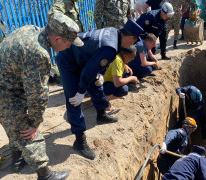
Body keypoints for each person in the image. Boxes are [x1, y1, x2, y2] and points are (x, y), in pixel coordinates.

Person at [0, 13, 82, 180]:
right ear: (58, 38)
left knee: (12, 123)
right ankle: (45, 175)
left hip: (7, 83)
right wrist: (35, 122)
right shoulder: (39, 54)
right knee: (27, 131)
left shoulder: (32, 30)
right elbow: (37, 96)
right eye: (68, 43)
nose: (69, 47)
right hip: (5, 91)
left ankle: (17, 160)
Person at [55, 19, 143, 160]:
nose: (131, 45)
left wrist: (100, 75)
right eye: (133, 42)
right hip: (68, 60)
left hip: (83, 59)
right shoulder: (111, 46)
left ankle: (101, 114)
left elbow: (98, 61)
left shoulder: (114, 32)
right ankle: (79, 140)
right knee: (74, 100)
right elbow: (88, 72)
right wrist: (81, 92)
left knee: (96, 83)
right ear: (131, 38)